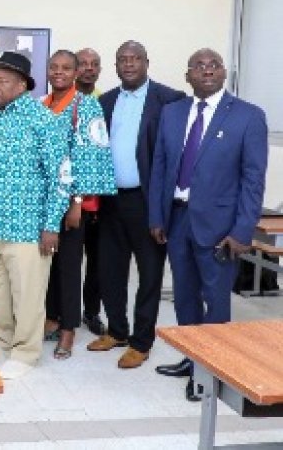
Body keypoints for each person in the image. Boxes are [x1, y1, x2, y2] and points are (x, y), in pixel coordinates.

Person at [149, 48, 267, 401]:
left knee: (215, 299)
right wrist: (157, 215)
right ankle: (191, 358)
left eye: (213, 64)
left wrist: (243, 230)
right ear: (188, 76)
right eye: (198, 66)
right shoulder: (172, 113)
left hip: (221, 226)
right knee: (184, 297)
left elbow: (253, 179)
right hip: (178, 218)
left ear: (224, 72)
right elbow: (160, 168)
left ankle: (212, 371)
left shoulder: (248, 116)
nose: (206, 70)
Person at [0, 51, 69, 379]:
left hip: (26, 227)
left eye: (2, 81)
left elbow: (61, 175)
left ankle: (26, 352)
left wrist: (51, 225)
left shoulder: (42, 119)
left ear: (22, 85)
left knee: (27, 294)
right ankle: (2, 340)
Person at [88, 41, 185, 369]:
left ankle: (142, 341)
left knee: (149, 274)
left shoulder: (169, 100)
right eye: (122, 60)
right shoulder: (106, 101)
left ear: (147, 62)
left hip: (148, 201)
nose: (128, 65)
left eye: (134, 59)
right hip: (110, 200)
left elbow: (175, 157)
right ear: (116, 65)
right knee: (109, 269)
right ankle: (117, 330)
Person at [41, 50, 116, 360]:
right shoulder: (43, 105)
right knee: (50, 263)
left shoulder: (84, 106)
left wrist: (76, 202)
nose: (59, 72)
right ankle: (53, 317)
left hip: (73, 202)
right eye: (54, 67)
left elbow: (90, 157)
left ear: (75, 73)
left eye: (66, 68)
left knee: (70, 265)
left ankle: (70, 327)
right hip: (46, 202)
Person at [74, 47, 107, 336]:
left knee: (97, 259)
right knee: (68, 261)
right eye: (82, 64)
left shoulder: (106, 102)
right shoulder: (61, 102)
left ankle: (92, 312)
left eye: (93, 64)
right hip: (71, 199)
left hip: (99, 198)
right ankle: (64, 313)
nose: (88, 68)